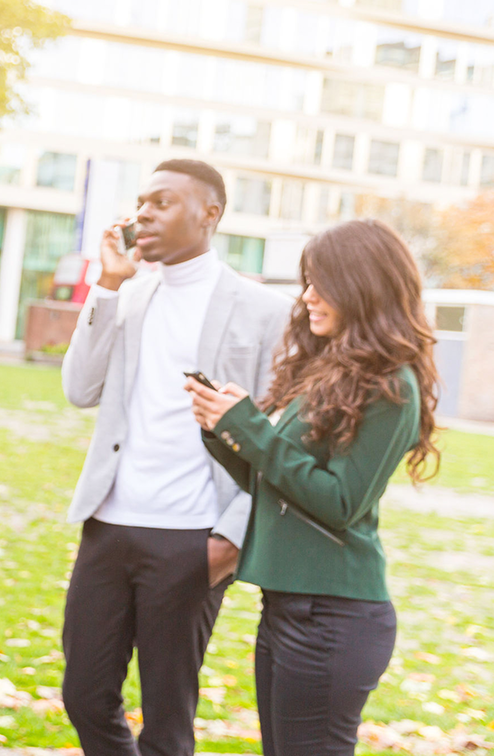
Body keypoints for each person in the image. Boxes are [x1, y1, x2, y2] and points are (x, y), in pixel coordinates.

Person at [59, 159, 290, 756]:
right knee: (84, 695)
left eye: (162, 202)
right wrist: (106, 287)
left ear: (210, 214)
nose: (144, 214)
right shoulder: (128, 297)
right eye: (141, 202)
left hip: (192, 538)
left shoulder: (262, 310)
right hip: (108, 527)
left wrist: (231, 535)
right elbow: (79, 389)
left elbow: (278, 430)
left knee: (167, 718)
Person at [186, 219, 438, 756]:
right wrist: (224, 431)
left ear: (361, 286)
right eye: (306, 281)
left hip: (332, 616)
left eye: (321, 282)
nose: (307, 296)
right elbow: (279, 487)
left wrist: (250, 428)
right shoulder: (330, 372)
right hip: (287, 606)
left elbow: (340, 503)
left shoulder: (392, 384)